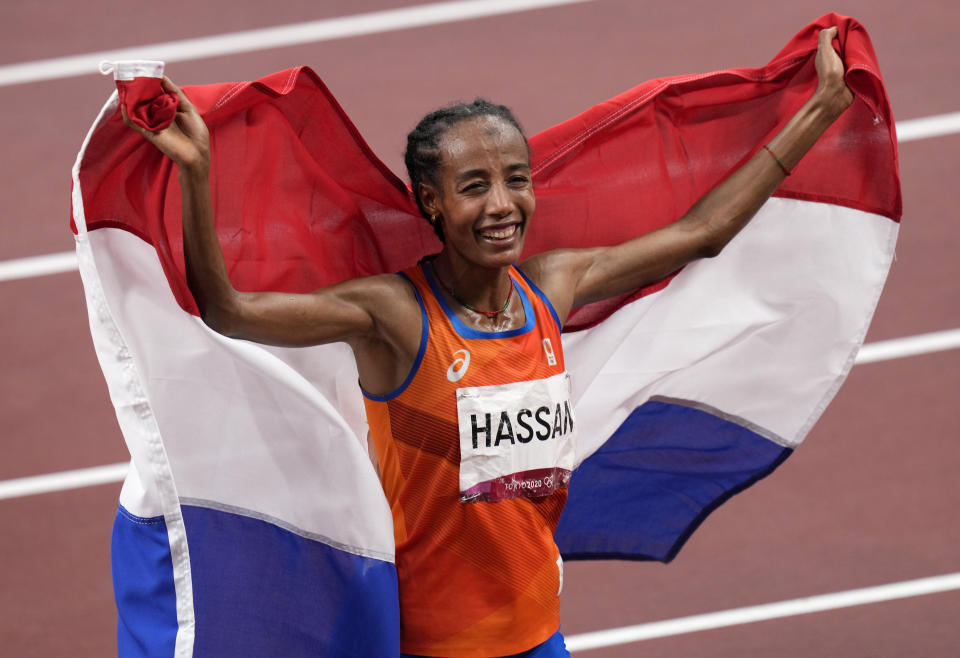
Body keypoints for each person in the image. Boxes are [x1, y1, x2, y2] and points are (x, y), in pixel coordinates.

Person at [121, 27, 852, 658]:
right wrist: (196, 172)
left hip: (537, 634)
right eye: (474, 185)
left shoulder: (552, 288)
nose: (502, 205)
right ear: (430, 202)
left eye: (517, 180)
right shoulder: (395, 314)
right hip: (425, 643)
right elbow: (228, 310)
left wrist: (818, 110)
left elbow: (702, 233)